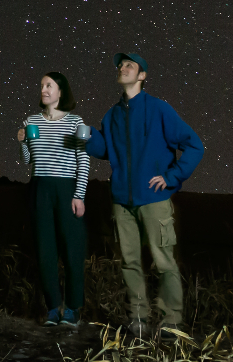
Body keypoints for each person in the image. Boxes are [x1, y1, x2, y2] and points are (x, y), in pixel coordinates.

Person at [86, 51, 204, 340]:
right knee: (129, 262)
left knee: (164, 262)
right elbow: (104, 149)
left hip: (153, 198)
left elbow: (194, 145)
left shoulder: (159, 109)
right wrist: (86, 134)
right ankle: (138, 318)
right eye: (121, 65)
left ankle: (171, 322)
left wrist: (171, 177)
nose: (122, 68)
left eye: (130, 65)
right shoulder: (111, 115)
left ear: (142, 76)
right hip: (121, 202)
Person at [17, 71, 90, 327]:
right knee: (45, 249)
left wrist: (79, 195)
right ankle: (52, 308)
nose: (44, 89)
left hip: (66, 187)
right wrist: (23, 142)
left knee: (72, 249)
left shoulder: (75, 121)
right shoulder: (31, 120)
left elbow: (84, 159)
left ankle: (72, 308)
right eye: (41, 85)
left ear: (61, 92)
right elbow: (28, 160)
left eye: (49, 85)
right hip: (40, 187)